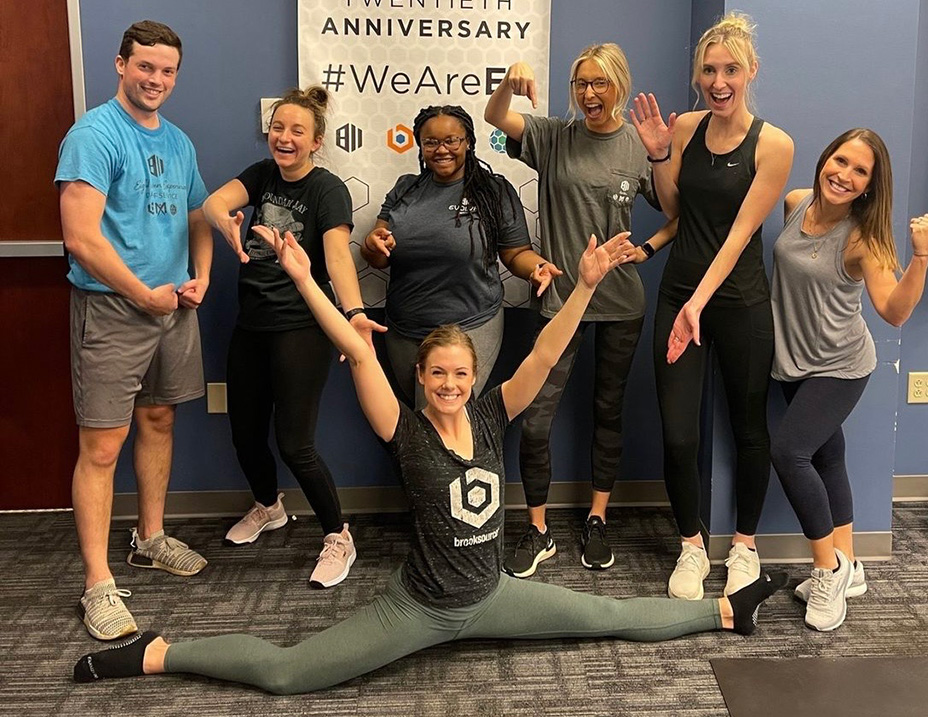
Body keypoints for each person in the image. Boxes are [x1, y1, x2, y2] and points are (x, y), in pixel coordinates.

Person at [74, 226, 787, 693]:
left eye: (460, 373)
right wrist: (302, 276)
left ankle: (728, 611)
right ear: (421, 378)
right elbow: (356, 348)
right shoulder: (405, 429)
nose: (450, 383)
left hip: (495, 596)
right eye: (437, 374)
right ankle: (156, 651)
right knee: (289, 673)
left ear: (473, 376)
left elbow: (543, 351)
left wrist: (587, 285)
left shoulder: (489, 413)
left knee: (606, 612)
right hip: (418, 608)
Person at [56, 20, 212, 640]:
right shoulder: (93, 135)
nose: (156, 80)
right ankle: (97, 585)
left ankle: (149, 537)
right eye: (145, 67)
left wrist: (200, 273)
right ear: (120, 65)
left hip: (172, 308)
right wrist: (140, 292)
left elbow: (199, 213)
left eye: (167, 70)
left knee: (159, 420)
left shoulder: (177, 141)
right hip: (115, 311)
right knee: (101, 447)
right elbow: (81, 236)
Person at [484, 43, 666, 575]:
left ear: (620, 86)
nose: (590, 94)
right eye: (581, 83)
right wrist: (508, 82)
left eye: (600, 83)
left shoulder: (640, 145)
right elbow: (495, 118)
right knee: (536, 420)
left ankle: (597, 519)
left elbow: (675, 212)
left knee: (608, 412)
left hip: (621, 303)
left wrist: (648, 248)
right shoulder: (551, 136)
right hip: (561, 301)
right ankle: (538, 529)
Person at [630, 13, 794, 599]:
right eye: (708, 70)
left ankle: (744, 547)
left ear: (752, 72)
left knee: (750, 431)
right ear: (697, 75)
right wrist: (657, 156)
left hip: (739, 300)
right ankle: (692, 548)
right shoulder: (688, 127)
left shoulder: (773, 144)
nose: (718, 81)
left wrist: (700, 302)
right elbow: (677, 210)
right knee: (678, 434)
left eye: (731, 70)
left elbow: (740, 234)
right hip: (679, 294)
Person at [202, 86, 382, 588]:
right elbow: (215, 202)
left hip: (301, 327)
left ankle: (338, 537)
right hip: (250, 325)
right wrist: (226, 224)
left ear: (316, 141)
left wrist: (355, 314)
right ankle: (268, 506)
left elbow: (339, 256)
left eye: (297, 131)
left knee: (295, 444)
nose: (284, 137)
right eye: (278, 128)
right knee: (244, 432)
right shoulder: (261, 177)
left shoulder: (327, 190)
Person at [769, 128, 928, 631]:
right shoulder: (797, 202)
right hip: (792, 359)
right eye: (840, 161)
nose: (844, 175)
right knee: (827, 455)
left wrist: (923, 256)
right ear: (825, 159)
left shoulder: (864, 240)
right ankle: (853, 565)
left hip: (840, 365)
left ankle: (829, 569)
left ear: (870, 186)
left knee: (789, 452)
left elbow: (893, 311)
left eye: (859, 171)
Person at [361, 105, 560, 409]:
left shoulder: (494, 191)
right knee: (418, 422)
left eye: (452, 141)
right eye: (431, 142)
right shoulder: (405, 189)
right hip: (405, 330)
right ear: (420, 145)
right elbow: (378, 254)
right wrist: (372, 245)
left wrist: (537, 269)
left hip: (471, 324)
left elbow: (516, 253)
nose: (442, 150)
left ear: (468, 141)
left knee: (447, 415)